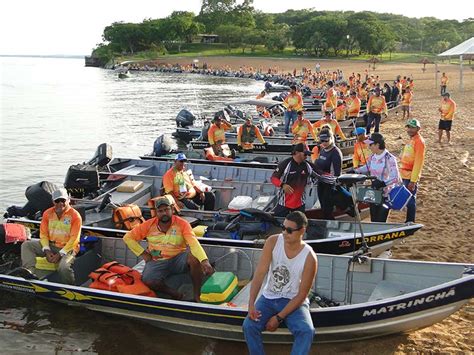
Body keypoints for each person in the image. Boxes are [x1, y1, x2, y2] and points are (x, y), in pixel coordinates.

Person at [243, 211, 317, 355]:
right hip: (269, 297)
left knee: (306, 331)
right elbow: (259, 274)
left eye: (289, 230)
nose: (284, 233)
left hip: (293, 300)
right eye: (283, 228)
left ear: (302, 231)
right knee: (249, 326)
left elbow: (302, 294)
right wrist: (251, 303)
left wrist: (278, 318)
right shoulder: (272, 242)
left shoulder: (310, 257)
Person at [123, 197, 214, 302]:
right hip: (157, 261)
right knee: (148, 280)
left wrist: (205, 261)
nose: (164, 213)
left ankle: (197, 295)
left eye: (166, 209)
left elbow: (194, 243)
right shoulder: (148, 225)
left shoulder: (182, 224)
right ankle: (174, 294)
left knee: (194, 258)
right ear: (156, 212)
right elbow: (128, 238)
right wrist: (144, 254)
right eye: (160, 211)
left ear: (172, 209)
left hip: (178, 258)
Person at [21, 188, 82, 284]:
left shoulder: (75, 216)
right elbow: (43, 234)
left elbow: (74, 239)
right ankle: (30, 272)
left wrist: (60, 254)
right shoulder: (47, 213)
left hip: (68, 248)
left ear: (68, 200)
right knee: (26, 245)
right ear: (53, 201)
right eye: (57, 201)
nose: (60, 203)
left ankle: (70, 287)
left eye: (63, 200)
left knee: (63, 267)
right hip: (51, 245)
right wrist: (47, 250)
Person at [354, 133, 401, 222]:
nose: (369, 147)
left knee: (381, 219)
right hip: (373, 192)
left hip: (386, 194)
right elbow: (367, 167)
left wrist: (383, 183)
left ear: (377, 145)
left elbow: (395, 177)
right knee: (373, 218)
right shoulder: (372, 157)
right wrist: (355, 171)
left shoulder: (390, 158)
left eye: (371, 144)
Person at [270, 143, 317, 217]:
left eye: (307, 155)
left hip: (300, 203)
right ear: (297, 153)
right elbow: (273, 178)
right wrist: (282, 185)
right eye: (305, 154)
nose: (306, 157)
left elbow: (320, 174)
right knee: (278, 223)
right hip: (284, 203)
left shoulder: (307, 165)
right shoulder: (285, 164)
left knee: (299, 224)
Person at [399, 119, 426, 223]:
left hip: (410, 175)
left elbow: (419, 162)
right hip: (404, 173)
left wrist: (413, 180)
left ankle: (410, 221)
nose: (410, 130)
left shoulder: (419, 142)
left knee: (410, 200)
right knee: (407, 198)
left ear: (418, 129)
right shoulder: (411, 139)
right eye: (409, 127)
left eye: (412, 127)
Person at [313, 129, 343, 220]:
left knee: (327, 209)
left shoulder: (335, 153)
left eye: (326, 140)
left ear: (332, 138)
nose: (324, 143)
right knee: (323, 208)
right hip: (321, 183)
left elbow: (336, 174)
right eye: (322, 141)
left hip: (329, 185)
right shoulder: (323, 150)